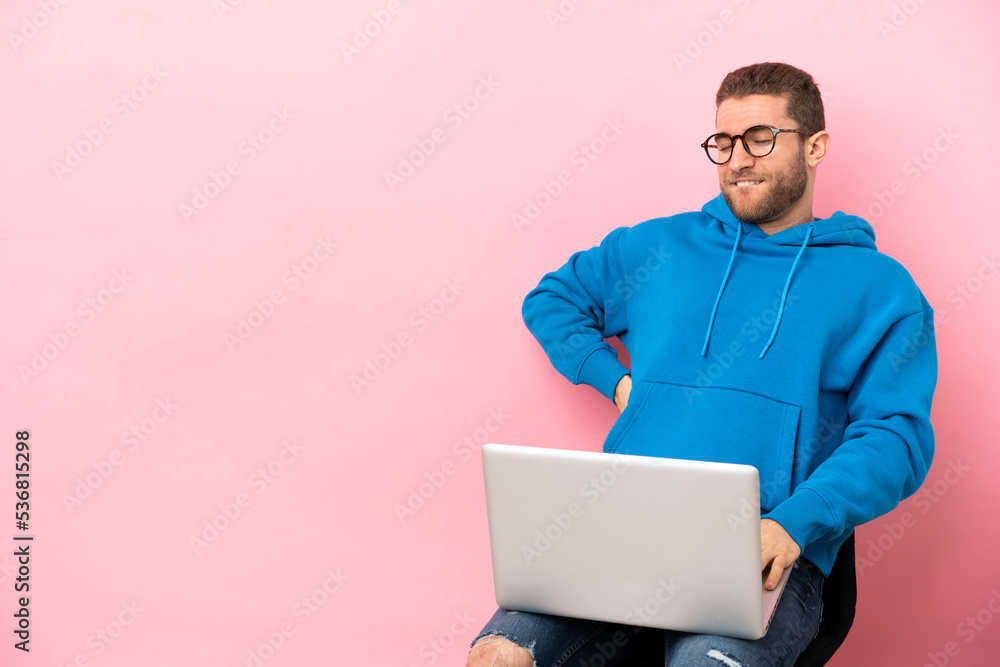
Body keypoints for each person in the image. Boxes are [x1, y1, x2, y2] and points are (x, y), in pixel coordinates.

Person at [466, 62, 937, 666]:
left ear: (815, 146)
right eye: (724, 142)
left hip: (761, 545)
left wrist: (794, 523)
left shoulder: (881, 289)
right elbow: (553, 298)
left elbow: (896, 436)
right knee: (499, 656)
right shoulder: (658, 246)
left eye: (760, 138)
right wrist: (614, 381)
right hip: (623, 525)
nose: (738, 159)